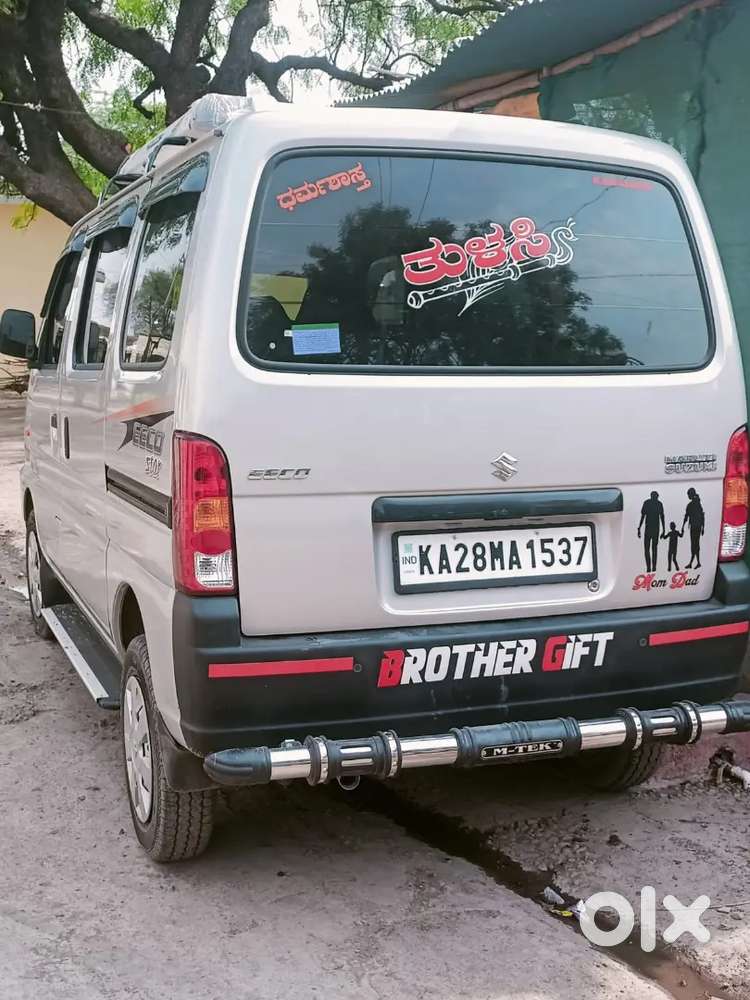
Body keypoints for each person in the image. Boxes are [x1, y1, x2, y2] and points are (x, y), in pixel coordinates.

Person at [638, 491, 665, 572]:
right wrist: (639, 527)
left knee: (652, 549)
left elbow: (662, 517)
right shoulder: (650, 503)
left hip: (653, 529)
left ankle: (653, 567)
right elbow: (643, 516)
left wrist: (663, 530)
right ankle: (650, 567)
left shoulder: (655, 503)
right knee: (650, 549)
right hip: (651, 528)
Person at [683, 487, 705, 569]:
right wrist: (703, 527)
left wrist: (703, 527)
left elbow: (687, 516)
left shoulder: (692, 504)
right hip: (696, 526)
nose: (688, 496)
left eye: (688, 494)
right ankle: (695, 562)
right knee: (695, 544)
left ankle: (694, 562)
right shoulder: (696, 503)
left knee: (694, 544)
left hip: (695, 526)